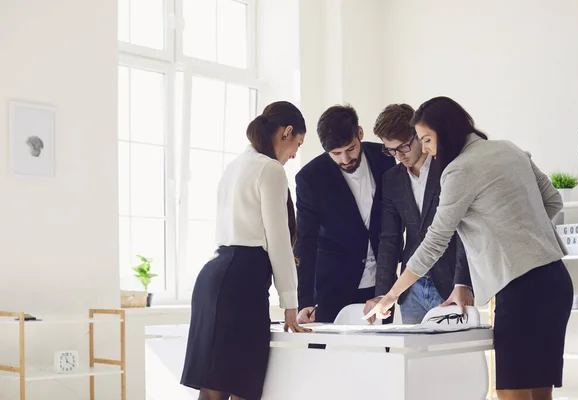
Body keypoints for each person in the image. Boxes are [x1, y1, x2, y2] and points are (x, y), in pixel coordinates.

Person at [365, 96, 573, 400]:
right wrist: (521, 228)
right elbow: (553, 201)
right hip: (555, 280)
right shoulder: (509, 149)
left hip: (520, 287)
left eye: (427, 140)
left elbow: (435, 241)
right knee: (540, 391)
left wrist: (391, 295)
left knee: (510, 392)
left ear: (445, 132)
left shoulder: (458, 170)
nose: (427, 150)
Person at [181, 101, 311, 400]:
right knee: (242, 385)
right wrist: (290, 303)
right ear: (287, 132)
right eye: (297, 144)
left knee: (214, 385)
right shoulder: (270, 169)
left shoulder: (236, 164)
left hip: (215, 276)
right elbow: (277, 241)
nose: (294, 153)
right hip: (242, 280)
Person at [364, 103, 472, 325]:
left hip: (450, 284)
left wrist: (463, 282)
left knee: (452, 357)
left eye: (403, 147)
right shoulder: (392, 179)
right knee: (414, 358)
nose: (398, 156)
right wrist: (384, 293)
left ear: (418, 135)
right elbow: (389, 239)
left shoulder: (449, 169)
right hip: (410, 290)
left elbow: (464, 230)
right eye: (391, 150)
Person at [294, 104, 395, 325]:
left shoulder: (385, 157)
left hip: (381, 284)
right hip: (333, 287)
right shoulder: (310, 178)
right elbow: (305, 241)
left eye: (350, 148)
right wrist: (305, 302)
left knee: (382, 354)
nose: (345, 159)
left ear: (359, 133)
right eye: (336, 154)